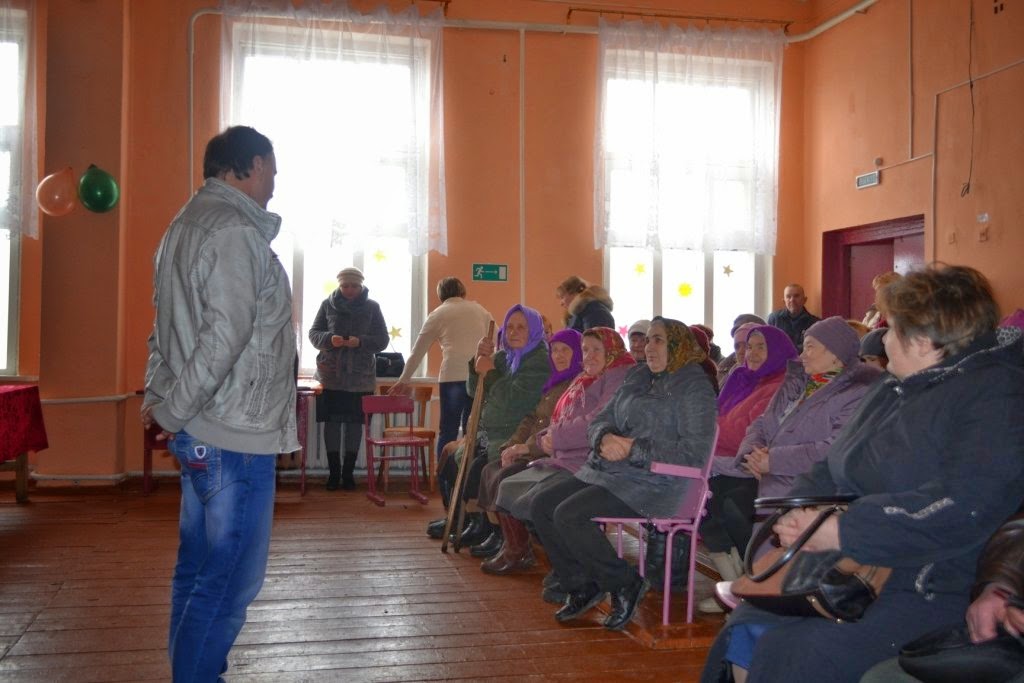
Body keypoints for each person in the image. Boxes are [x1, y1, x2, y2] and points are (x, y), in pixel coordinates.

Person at [700, 264, 1024, 683]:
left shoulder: (995, 396)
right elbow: (832, 464)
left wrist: (844, 530)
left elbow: (965, 505)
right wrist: (798, 513)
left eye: (893, 329)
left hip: (927, 579)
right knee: (745, 625)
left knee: (797, 651)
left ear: (924, 340)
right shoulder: (891, 387)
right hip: (850, 563)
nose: (883, 340)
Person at [142, 125, 299, 682]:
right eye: (272, 170)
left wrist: (165, 403)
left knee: (198, 570)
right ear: (250, 166)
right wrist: (170, 410)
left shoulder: (184, 225)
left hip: (204, 426)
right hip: (234, 434)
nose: (275, 182)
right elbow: (224, 338)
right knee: (229, 582)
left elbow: (162, 333)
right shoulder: (234, 231)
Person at [530, 318, 717, 631]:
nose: (649, 347)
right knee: (542, 505)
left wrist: (633, 447)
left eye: (659, 340)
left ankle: (624, 583)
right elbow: (601, 419)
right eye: (648, 340)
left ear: (678, 345)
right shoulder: (638, 376)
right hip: (614, 472)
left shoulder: (694, 386)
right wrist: (604, 438)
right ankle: (581, 584)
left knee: (569, 515)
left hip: (660, 482)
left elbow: (694, 453)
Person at [481, 327, 634, 575]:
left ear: (612, 350)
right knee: (508, 486)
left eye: (597, 350)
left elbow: (594, 423)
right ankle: (554, 561)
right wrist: (541, 439)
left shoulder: (617, 376)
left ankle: (566, 567)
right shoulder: (583, 378)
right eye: (586, 350)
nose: (590, 356)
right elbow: (553, 419)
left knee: (537, 501)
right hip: (563, 455)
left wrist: (548, 440)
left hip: (585, 462)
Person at [697, 325, 798, 613]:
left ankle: (756, 585)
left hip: (753, 469)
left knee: (733, 508)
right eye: (747, 346)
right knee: (700, 505)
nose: (750, 353)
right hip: (722, 465)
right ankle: (735, 588)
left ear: (777, 351)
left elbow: (743, 434)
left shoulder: (782, 385)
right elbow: (721, 423)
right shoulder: (741, 379)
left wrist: (713, 432)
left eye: (760, 347)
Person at [431, 304, 551, 545]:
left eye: (521, 327)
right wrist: (477, 362)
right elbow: (473, 390)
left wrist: (491, 372)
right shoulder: (504, 357)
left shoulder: (539, 363)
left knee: (477, 468)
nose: (513, 332)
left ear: (534, 330)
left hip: (512, 434)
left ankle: (490, 529)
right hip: (487, 433)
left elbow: (515, 400)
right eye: (510, 327)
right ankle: (467, 519)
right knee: (453, 463)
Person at [466, 328, 582, 561]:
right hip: (530, 448)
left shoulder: (576, 386)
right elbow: (531, 418)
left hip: (550, 455)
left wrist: (526, 448)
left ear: (577, 353)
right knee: (489, 469)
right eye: (555, 350)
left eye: (565, 350)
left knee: (503, 476)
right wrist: (511, 444)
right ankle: (503, 537)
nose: (559, 355)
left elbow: (559, 430)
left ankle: (518, 548)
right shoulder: (553, 382)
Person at [387, 277, 493, 464]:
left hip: (452, 376)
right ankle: (468, 475)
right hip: (478, 375)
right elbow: (498, 338)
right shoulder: (479, 310)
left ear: (441, 295)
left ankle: (444, 476)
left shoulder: (438, 314)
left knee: (448, 430)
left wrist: (403, 379)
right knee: (473, 432)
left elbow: (418, 351)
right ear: (462, 292)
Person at [308, 267, 389, 491]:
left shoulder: (373, 307)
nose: (349, 290)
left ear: (361, 285)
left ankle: (348, 474)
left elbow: (382, 339)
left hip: (360, 378)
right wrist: (329, 339)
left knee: (355, 425)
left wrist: (360, 342)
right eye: (345, 286)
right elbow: (313, 334)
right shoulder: (327, 305)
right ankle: (334, 474)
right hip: (331, 376)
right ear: (339, 285)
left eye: (354, 286)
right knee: (332, 424)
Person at [767, 283, 820, 350]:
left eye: (796, 296)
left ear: (804, 300)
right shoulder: (773, 319)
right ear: (784, 301)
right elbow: (768, 345)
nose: (792, 300)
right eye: (788, 297)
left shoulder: (815, 323)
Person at [717, 314, 766, 384]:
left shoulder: (773, 375)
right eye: (737, 345)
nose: (741, 351)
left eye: (747, 345)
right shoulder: (725, 367)